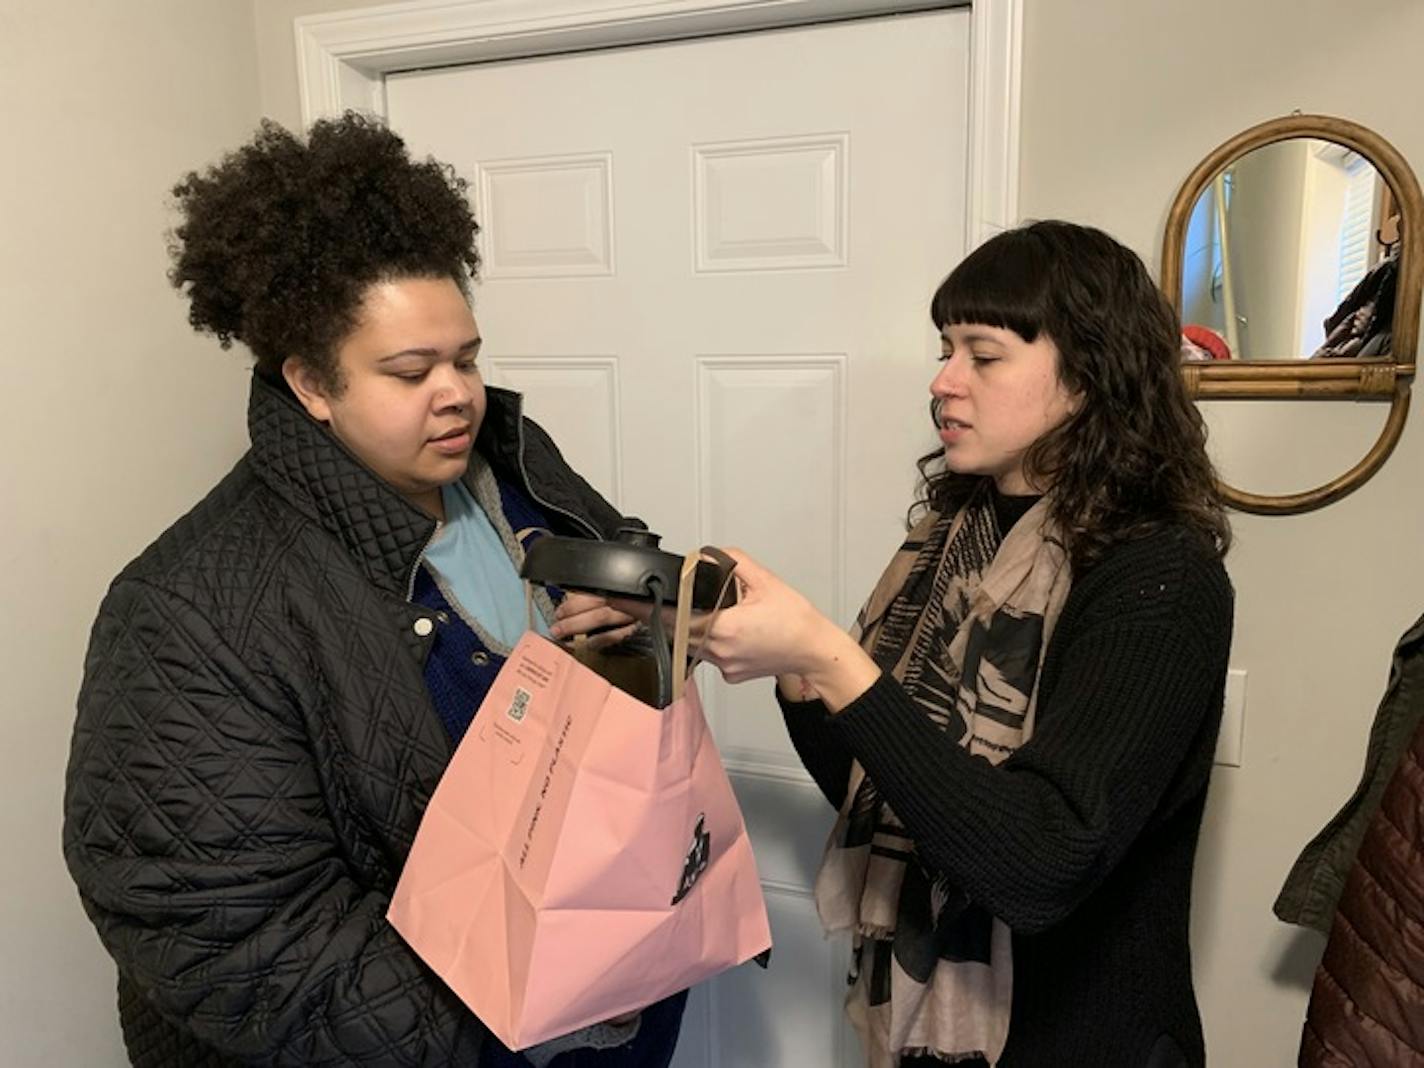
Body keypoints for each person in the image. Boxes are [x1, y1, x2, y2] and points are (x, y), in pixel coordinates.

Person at [62, 113, 684, 1068]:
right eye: (410, 371)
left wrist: (633, 621)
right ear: (311, 384)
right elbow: (236, 939)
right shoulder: (185, 613)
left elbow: (620, 618)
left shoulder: (511, 472)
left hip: (608, 992)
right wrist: (506, 1025)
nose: (458, 395)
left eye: (468, 359)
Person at [692, 221, 1235, 1067]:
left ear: (1090, 374)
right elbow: (890, 794)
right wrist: (805, 673)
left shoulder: (1158, 578)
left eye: (983, 356)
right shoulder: (952, 544)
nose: (943, 383)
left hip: (1083, 1040)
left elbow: (1040, 864)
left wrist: (835, 658)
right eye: (945, 350)